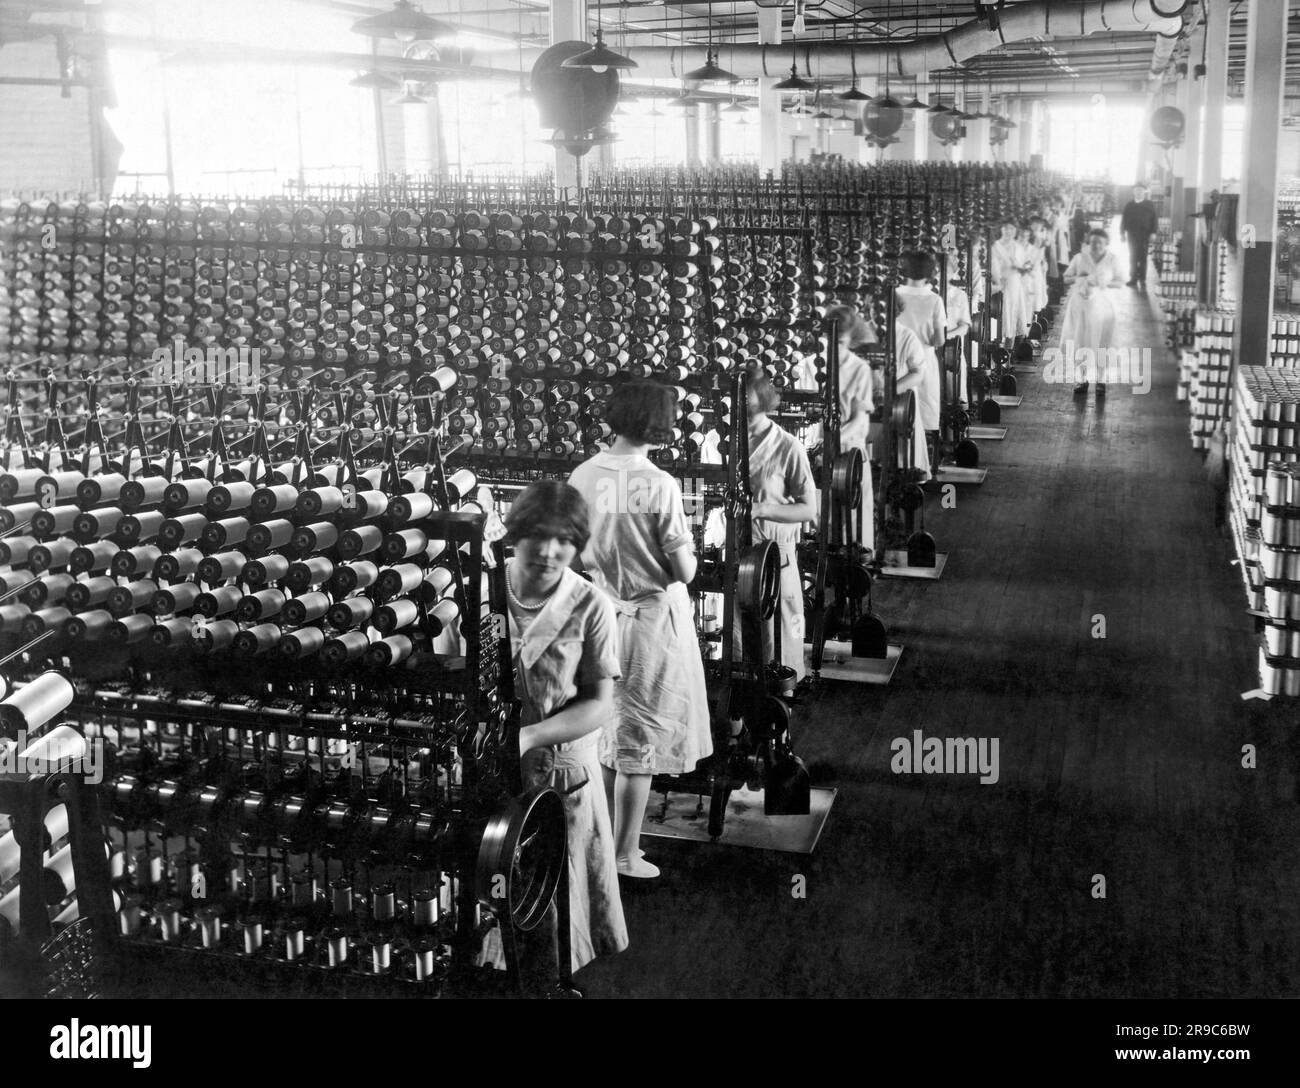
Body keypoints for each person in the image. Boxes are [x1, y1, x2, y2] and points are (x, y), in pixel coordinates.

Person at [567, 382, 710, 880]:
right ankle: (626, 854)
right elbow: (685, 570)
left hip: (602, 610)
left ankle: (600, 844)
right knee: (641, 743)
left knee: (609, 734)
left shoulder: (583, 474)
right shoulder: (658, 483)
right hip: (650, 620)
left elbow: (574, 548)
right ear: (660, 423)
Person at [503, 480, 628, 971]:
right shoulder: (478, 592)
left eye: (567, 542)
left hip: (562, 778)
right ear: (516, 533)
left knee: (557, 913)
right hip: (493, 773)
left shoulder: (590, 604)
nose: (552, 553)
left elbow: (600, 704)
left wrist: (530, 736)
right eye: (540, 537)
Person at [743, 364, 818, 696]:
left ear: (761, 397)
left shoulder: (787, 446)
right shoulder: (722, 442)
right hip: (737, 554)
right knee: (740, 642)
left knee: (783, 636)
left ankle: (781, 723)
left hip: (776, 557)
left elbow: (808, 509)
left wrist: (762, 509)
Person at [821, 301, 881, 554]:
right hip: (817, 449)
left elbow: (859, 420)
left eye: (842, 343)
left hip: (848, 451)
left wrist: (831, 440)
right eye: (831, 341)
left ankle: (854, 562)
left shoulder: (859, 369)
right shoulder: (810, 365)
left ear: (851, 341)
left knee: (852, 518)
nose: (835, 348)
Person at [895, 251, 946, 469]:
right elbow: (939, 340)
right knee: (925, 408)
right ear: (930, 273)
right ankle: (925, 463)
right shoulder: (934, 299)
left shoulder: (894, 294)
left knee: (897, 412)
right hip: (923, 358)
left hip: (896, 358)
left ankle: (898, 462)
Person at [1060, 228, 1125, 398]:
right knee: (1080, 341)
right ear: (1089, 242)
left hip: (1104, 307)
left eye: (1100, 242)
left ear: (1106, 244)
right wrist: (1081, 279)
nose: (1096, 245)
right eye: (1093, 241)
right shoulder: (1080, 258)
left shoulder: (1112, 259)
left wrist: (1105, 283)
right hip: (1081, 306)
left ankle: (1101, 380)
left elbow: (1121, 282)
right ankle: (1081, 379)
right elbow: (1066, 278)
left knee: (1103, 342)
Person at [991, 220, 1031, 348]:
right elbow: (993, 265)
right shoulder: (995, 246)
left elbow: (1026, 264)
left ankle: (1009, 349)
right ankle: (996, 346)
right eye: (1006, 228)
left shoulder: (1017, 247)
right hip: (998, 282)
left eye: (1012, 229)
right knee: (998, 313)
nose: (1009, 231)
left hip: (1014, 283)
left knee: (1012, 313)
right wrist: (998, 280)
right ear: (1001, 229)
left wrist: (1020, 266)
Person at [1120, 183, 1158, 290]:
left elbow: (1154, 219)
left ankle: (1142, 279)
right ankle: (1133, 278)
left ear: (1144, 192)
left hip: (1145, 235)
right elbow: (1124, 219)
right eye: (1136, 190)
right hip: (1132, 234)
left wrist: (1153, 232)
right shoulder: (1129, 205)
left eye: (1140, 190)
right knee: (1133, 256)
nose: (1138, 192)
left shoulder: (1149, 204)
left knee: (1142, 257)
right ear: (1133, 192)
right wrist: (1122, 233)